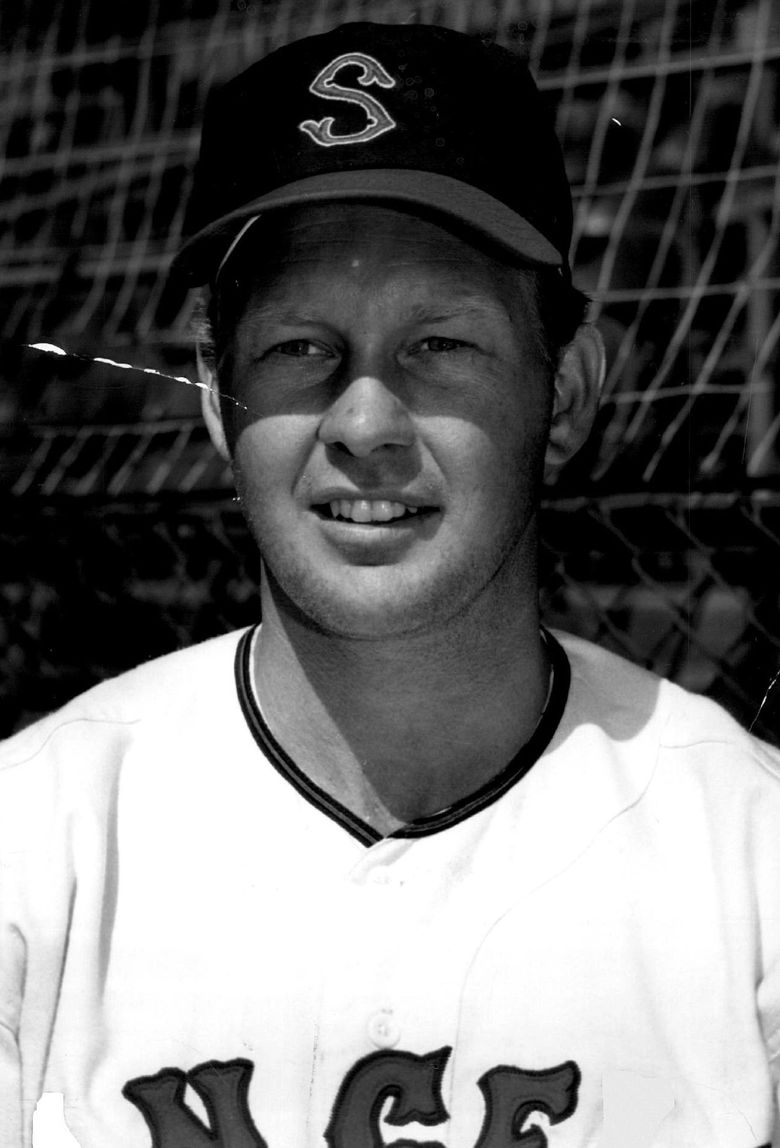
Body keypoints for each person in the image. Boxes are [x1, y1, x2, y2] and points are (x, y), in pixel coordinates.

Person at [2, 20, 779, 1148]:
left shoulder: (750, 863)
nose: (365, 422)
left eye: (439, 343)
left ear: (564, 390)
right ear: (221, 399)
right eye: (302, 348)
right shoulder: (38, 850)